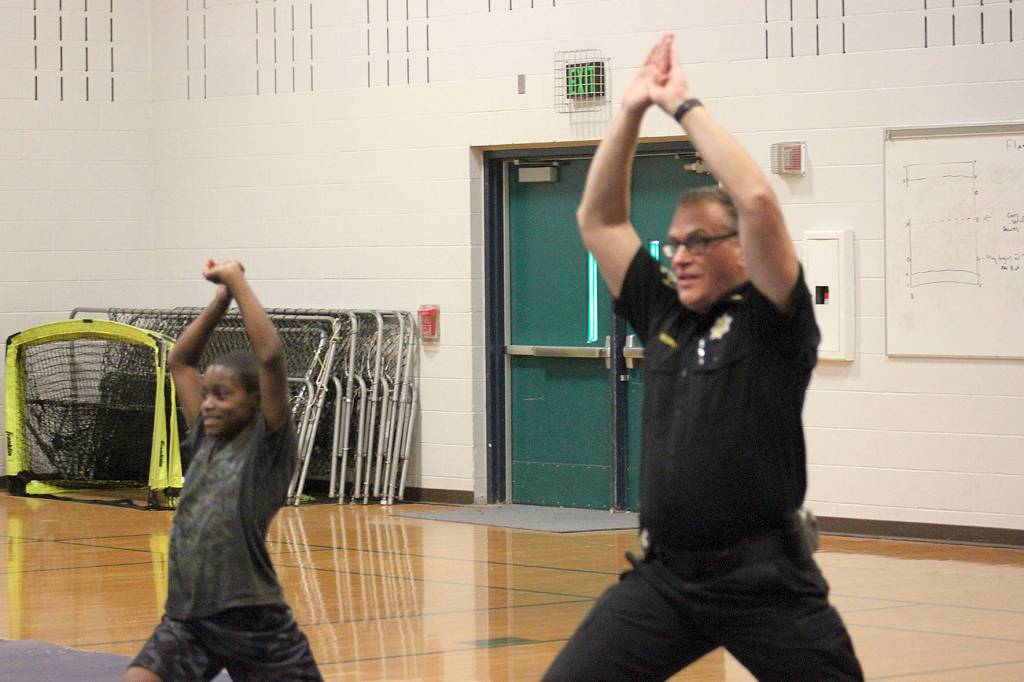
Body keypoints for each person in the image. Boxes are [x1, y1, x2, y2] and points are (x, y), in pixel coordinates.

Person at [543, 35, 864, 681]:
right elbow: (600, 220)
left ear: (740, 252)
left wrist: (682, 104)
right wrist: (631, 110)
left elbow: (758, 201)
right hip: (665, 581)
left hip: (763, 581)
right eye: (673, 245)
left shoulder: (771, 320)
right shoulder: (664, 316)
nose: (679, 255)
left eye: (698, 242)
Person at [124, 260, 322, 682]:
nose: (209, 403)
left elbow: (269, 356)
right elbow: (180, 361)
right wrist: (220, 300)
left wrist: (237, 281)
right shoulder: (204, 439)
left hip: (253, 621)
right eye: (207, 394)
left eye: (223, 395)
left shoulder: (267, 447)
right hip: (188, 616)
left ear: (254, 401)